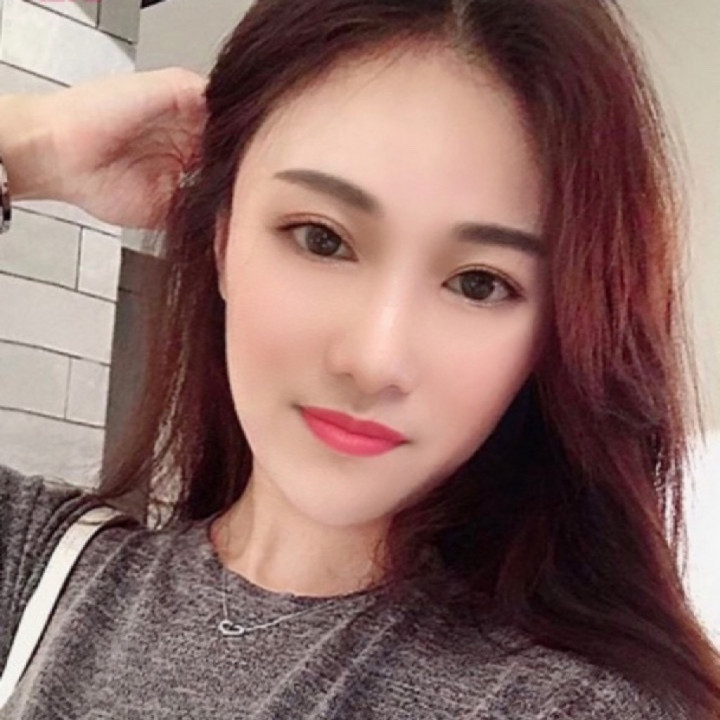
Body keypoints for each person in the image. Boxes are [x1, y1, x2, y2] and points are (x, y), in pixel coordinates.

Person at [1, 0, 719, 717]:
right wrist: (37, 143)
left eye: (478, 283)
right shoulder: (44, 571)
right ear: (221, 240)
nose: (375, 360)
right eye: (322, 238)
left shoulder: (566, 705)